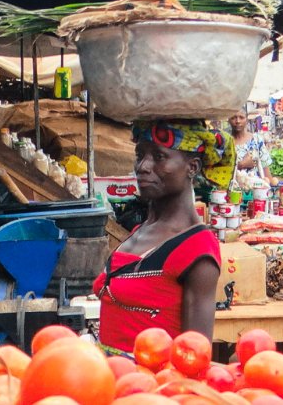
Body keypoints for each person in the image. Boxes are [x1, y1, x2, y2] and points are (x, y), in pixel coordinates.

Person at [94, 120, 228, 352]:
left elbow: (194, 356)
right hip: (107, 373)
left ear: (192, 167)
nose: (143, 166)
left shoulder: (197, 249)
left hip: (150, 376)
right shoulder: (140, 231)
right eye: (140, 155)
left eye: (159, 156)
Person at [230, 111, 271, 184]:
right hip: (232, 188)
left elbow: (266, 172)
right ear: (228, 120)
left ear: (247, 120)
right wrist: (241, 165)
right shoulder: (224, 142)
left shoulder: (257, 140)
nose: (238, 121)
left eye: (241, 117)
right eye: (233, 118)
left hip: (255, 188)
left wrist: (269, 182)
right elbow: (220, 172)